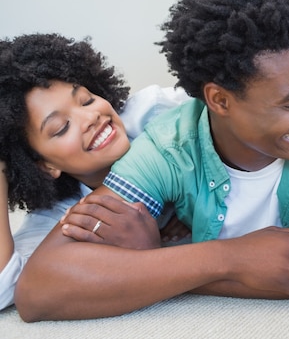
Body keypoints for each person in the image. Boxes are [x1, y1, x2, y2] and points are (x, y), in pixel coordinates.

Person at [14, 0, 289, 322]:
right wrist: (231, 258)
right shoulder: (165, 146)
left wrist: (153, 260)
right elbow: (36, 291)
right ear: (220, 100)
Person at [0, 33, 191, 310]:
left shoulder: (154, 111)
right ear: (44, 165)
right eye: (61, 128)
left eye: (87, 100)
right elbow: (7, 289)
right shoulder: (63, 215)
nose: (90, 117)